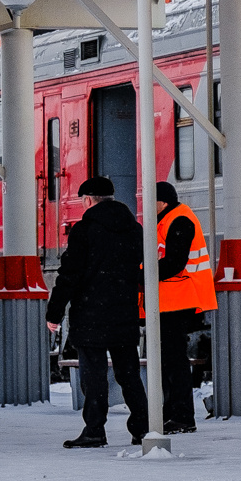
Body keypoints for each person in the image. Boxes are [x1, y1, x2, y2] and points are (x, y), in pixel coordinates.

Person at [46, 176, 149, 448]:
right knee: (129, 375)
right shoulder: (134, 229)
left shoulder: (85, 230)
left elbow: (69, 275)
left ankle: (94, 430)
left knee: (94, 376)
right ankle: (142, 428)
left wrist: (54, 313)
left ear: (88, 200)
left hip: (91, 315)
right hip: (124, 313)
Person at [153, 181, 216, 433]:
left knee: (173, 360)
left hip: (179, 298)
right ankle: (172, 414)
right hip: (173, 299)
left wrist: (143, 273)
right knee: (169, 359)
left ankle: (181, 416)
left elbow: (174, 263)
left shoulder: (179, 221)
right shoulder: (170, 219)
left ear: (163, 202)